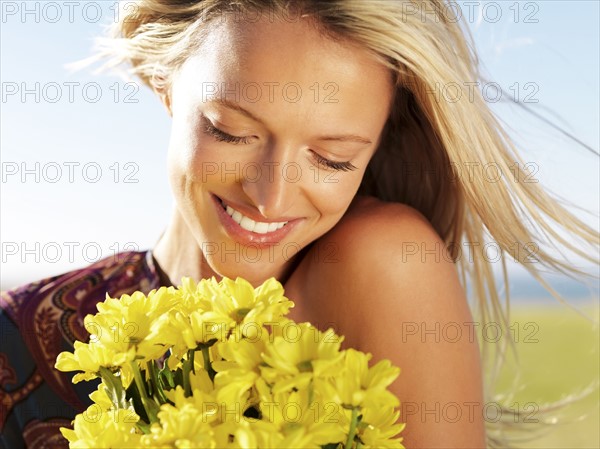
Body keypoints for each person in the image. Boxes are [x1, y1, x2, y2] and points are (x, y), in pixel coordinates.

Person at [1, 1, 597, 448]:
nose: (271, 195)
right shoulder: (14, 336)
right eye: (231, 132)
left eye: (332, 158)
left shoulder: (384, 262)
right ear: (164, 84)